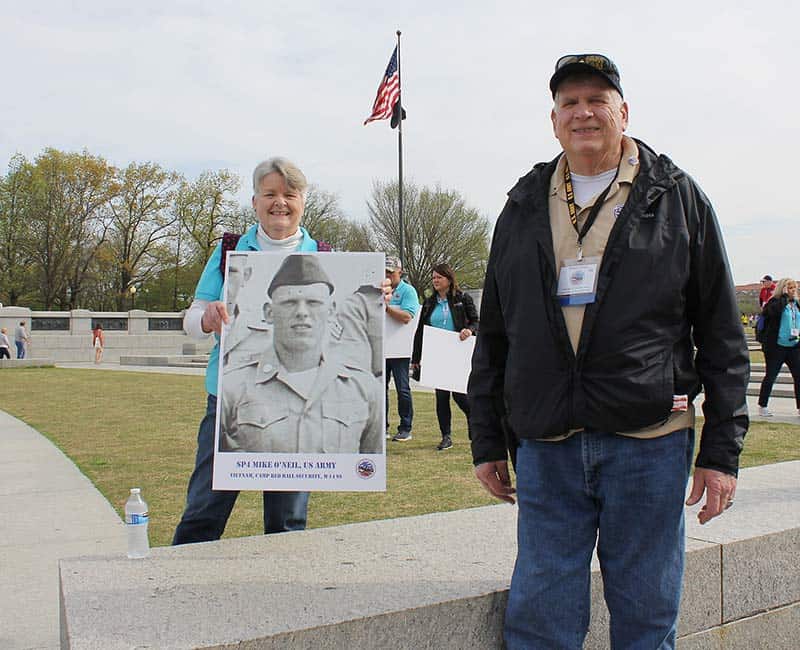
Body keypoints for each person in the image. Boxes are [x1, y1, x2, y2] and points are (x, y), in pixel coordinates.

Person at [468, 54, 748, 649]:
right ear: (553, 120)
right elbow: (495, 333)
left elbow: (722, 333)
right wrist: (487, 439)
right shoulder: (521, 205)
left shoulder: (676, 197)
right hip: (547, 445)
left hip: (648, 439)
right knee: (541, 618)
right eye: (570, 102)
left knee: (647, 619)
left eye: (597, 100)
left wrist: (721, 453)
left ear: (624, 112)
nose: (584, 113)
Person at [173, 157, 323, 546]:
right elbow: (192, 317)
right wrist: (206, 319)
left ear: (302, 201)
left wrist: (378, 298)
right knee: (203, 512)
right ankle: (177, 588)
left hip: (296, 403)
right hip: (229, 399)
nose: (280, 203)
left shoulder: (324, 255)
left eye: (289, 195)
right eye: (270, 193)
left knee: (287, 522)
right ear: (254, 201)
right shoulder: (228, 251)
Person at [220, 254, 382, 454]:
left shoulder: (365, 388)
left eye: (313, 303)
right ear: (269, 313)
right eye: (290, 303)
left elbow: (370, 464)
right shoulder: (232, 387)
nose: (302, 312)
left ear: (331, 310)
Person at [411, 263, 478, 451]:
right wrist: (416, 358)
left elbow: (476, 321)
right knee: (441, 397)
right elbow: (420, 331)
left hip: (457, 353)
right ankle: (446, 436)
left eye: (439, 277)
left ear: (448, 279)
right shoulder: (430, 303)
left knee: (460, 396)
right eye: (433, 278)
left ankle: (475, 424)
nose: (435, 281)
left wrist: (469, 330)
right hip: (437, 354)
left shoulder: (462, 299)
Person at [384, 256, 419, 442]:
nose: (388, 275)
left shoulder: (408, 291)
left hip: (400, 349)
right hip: (381, 348)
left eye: (391, 272)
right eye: (386, 271)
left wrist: (387, 309)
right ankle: (382, 427)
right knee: (380, 389)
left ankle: (405, 427)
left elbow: (407, 316)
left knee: (402, 388)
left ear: (400, 272)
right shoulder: (380, 288)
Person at [756, 277, 800, 417]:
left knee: (798, 376)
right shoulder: (775, 302)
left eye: (794, 288)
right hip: (776, 346)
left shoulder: (796, 304)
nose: (793, 291)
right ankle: (763, 405)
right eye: (790, 288)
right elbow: (773, 313)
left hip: (793, 345)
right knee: (771, 375)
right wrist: (784, 296)